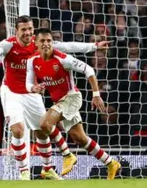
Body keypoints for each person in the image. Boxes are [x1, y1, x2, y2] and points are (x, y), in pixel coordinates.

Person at [0, 15, 110, 180]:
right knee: (18, 130)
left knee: (42, 130)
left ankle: (47, 169)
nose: (27, 32)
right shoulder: (9, 44)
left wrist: (94, 46)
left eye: (30, 29)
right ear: (16, 31)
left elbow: (67, 46)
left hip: (32, 92)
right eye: (23, 29)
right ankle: (24, 171)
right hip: (11, 92)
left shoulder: (39, 43)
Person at [26, 28, 121, 180]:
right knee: (80, 138)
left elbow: (89, 70)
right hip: (60, 101)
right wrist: (34, 88)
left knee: (44, 123)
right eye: (42, 41)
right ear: (35, 43)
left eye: (49, 41)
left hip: (72, 97)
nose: (46, 44)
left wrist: (96, 95)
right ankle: (111, 163)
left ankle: (68, 155)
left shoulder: (63, 59)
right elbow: (28, 83)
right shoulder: (32, 60)